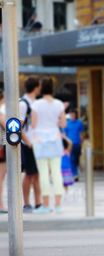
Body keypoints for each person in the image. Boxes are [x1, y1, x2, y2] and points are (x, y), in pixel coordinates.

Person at [31, 78, 66, 214]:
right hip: (55, 140)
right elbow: (63, 124)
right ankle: (58, 205)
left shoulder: (36, 105)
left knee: (43, 174)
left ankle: (45, 205)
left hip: (39, 141)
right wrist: (55, 121)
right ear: (52, 88)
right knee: (56, 173)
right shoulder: (59, 104)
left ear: (41, 88)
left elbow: (33, 125)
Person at [19, 77, 42, 213]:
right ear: (36, 87)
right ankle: (27, 203)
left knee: (36, 174)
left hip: (36, 143)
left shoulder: (36, 102)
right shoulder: (23, 104)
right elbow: (18, 127)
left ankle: (38, 203)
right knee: (29, 174)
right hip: (28, 144)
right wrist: (28, 143)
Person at [64, 108, 84, 181]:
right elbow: (65, 134)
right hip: (70, 144)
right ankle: (75, 174)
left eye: (73, 114)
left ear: (76, 115)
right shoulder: (67, 123)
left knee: (76, 159)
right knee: (72, 159)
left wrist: (81, 144)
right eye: (71, 114)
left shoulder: (79, 123)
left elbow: (81, 134)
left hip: (77, 144)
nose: (72, 115)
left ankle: (76, 172)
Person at [0, 92, 7, 213]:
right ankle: (0, 205)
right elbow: (9, 127)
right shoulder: (0, 114)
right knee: (0, 178)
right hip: (1, 148)